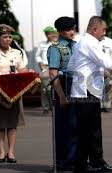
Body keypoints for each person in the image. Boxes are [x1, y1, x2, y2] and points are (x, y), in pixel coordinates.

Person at [67, 16, 112, 173]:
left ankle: (90, 163)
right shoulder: (89, 43)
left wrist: (98, 72)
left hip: (86, 91)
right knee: (90, 131)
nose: (104, 33)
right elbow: (108, 62)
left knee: (89, 131)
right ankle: (89, 164)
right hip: (87, 92)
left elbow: (72, 65)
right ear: (94, 29)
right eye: (103, 29)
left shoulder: (82, 42)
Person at [0, 24, 33, 163]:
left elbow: (21, 69)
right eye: (5, 37)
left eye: (10, 37)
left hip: (14, 92)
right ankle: (1, 153)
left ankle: (11, 152)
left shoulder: (17, 53)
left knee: (12, 124)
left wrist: (30, 73)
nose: (8, 39)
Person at [47, 16, 77, 171]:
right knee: (63, 127)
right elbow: (53, 73)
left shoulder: (77, 45)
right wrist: (61, 97)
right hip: (63, 87)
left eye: (73, 29)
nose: (72, 32)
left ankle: (73, 159)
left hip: (77, 87)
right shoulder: (55, 48)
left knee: (75, 126)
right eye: (68, 30)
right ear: (59, 31)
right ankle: (62, 161)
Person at [35, 26, 58, 114]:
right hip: (45, 67)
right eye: (47, 34)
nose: (49, 35)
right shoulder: (42, 44)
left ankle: (54, 106)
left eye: (50, 33)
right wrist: (40, 62)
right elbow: (37, 55)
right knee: (45, 88)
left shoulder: (58, 43)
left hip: (55, 67)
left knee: (54, 87)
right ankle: (45, 107)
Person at [99, 36, 112, 113]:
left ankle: (107, 105)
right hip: (97, 67)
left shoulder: (109, 41)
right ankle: (99, 105)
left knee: (107, 87)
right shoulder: (93, 41)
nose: (103, 33)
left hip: (107, 67)